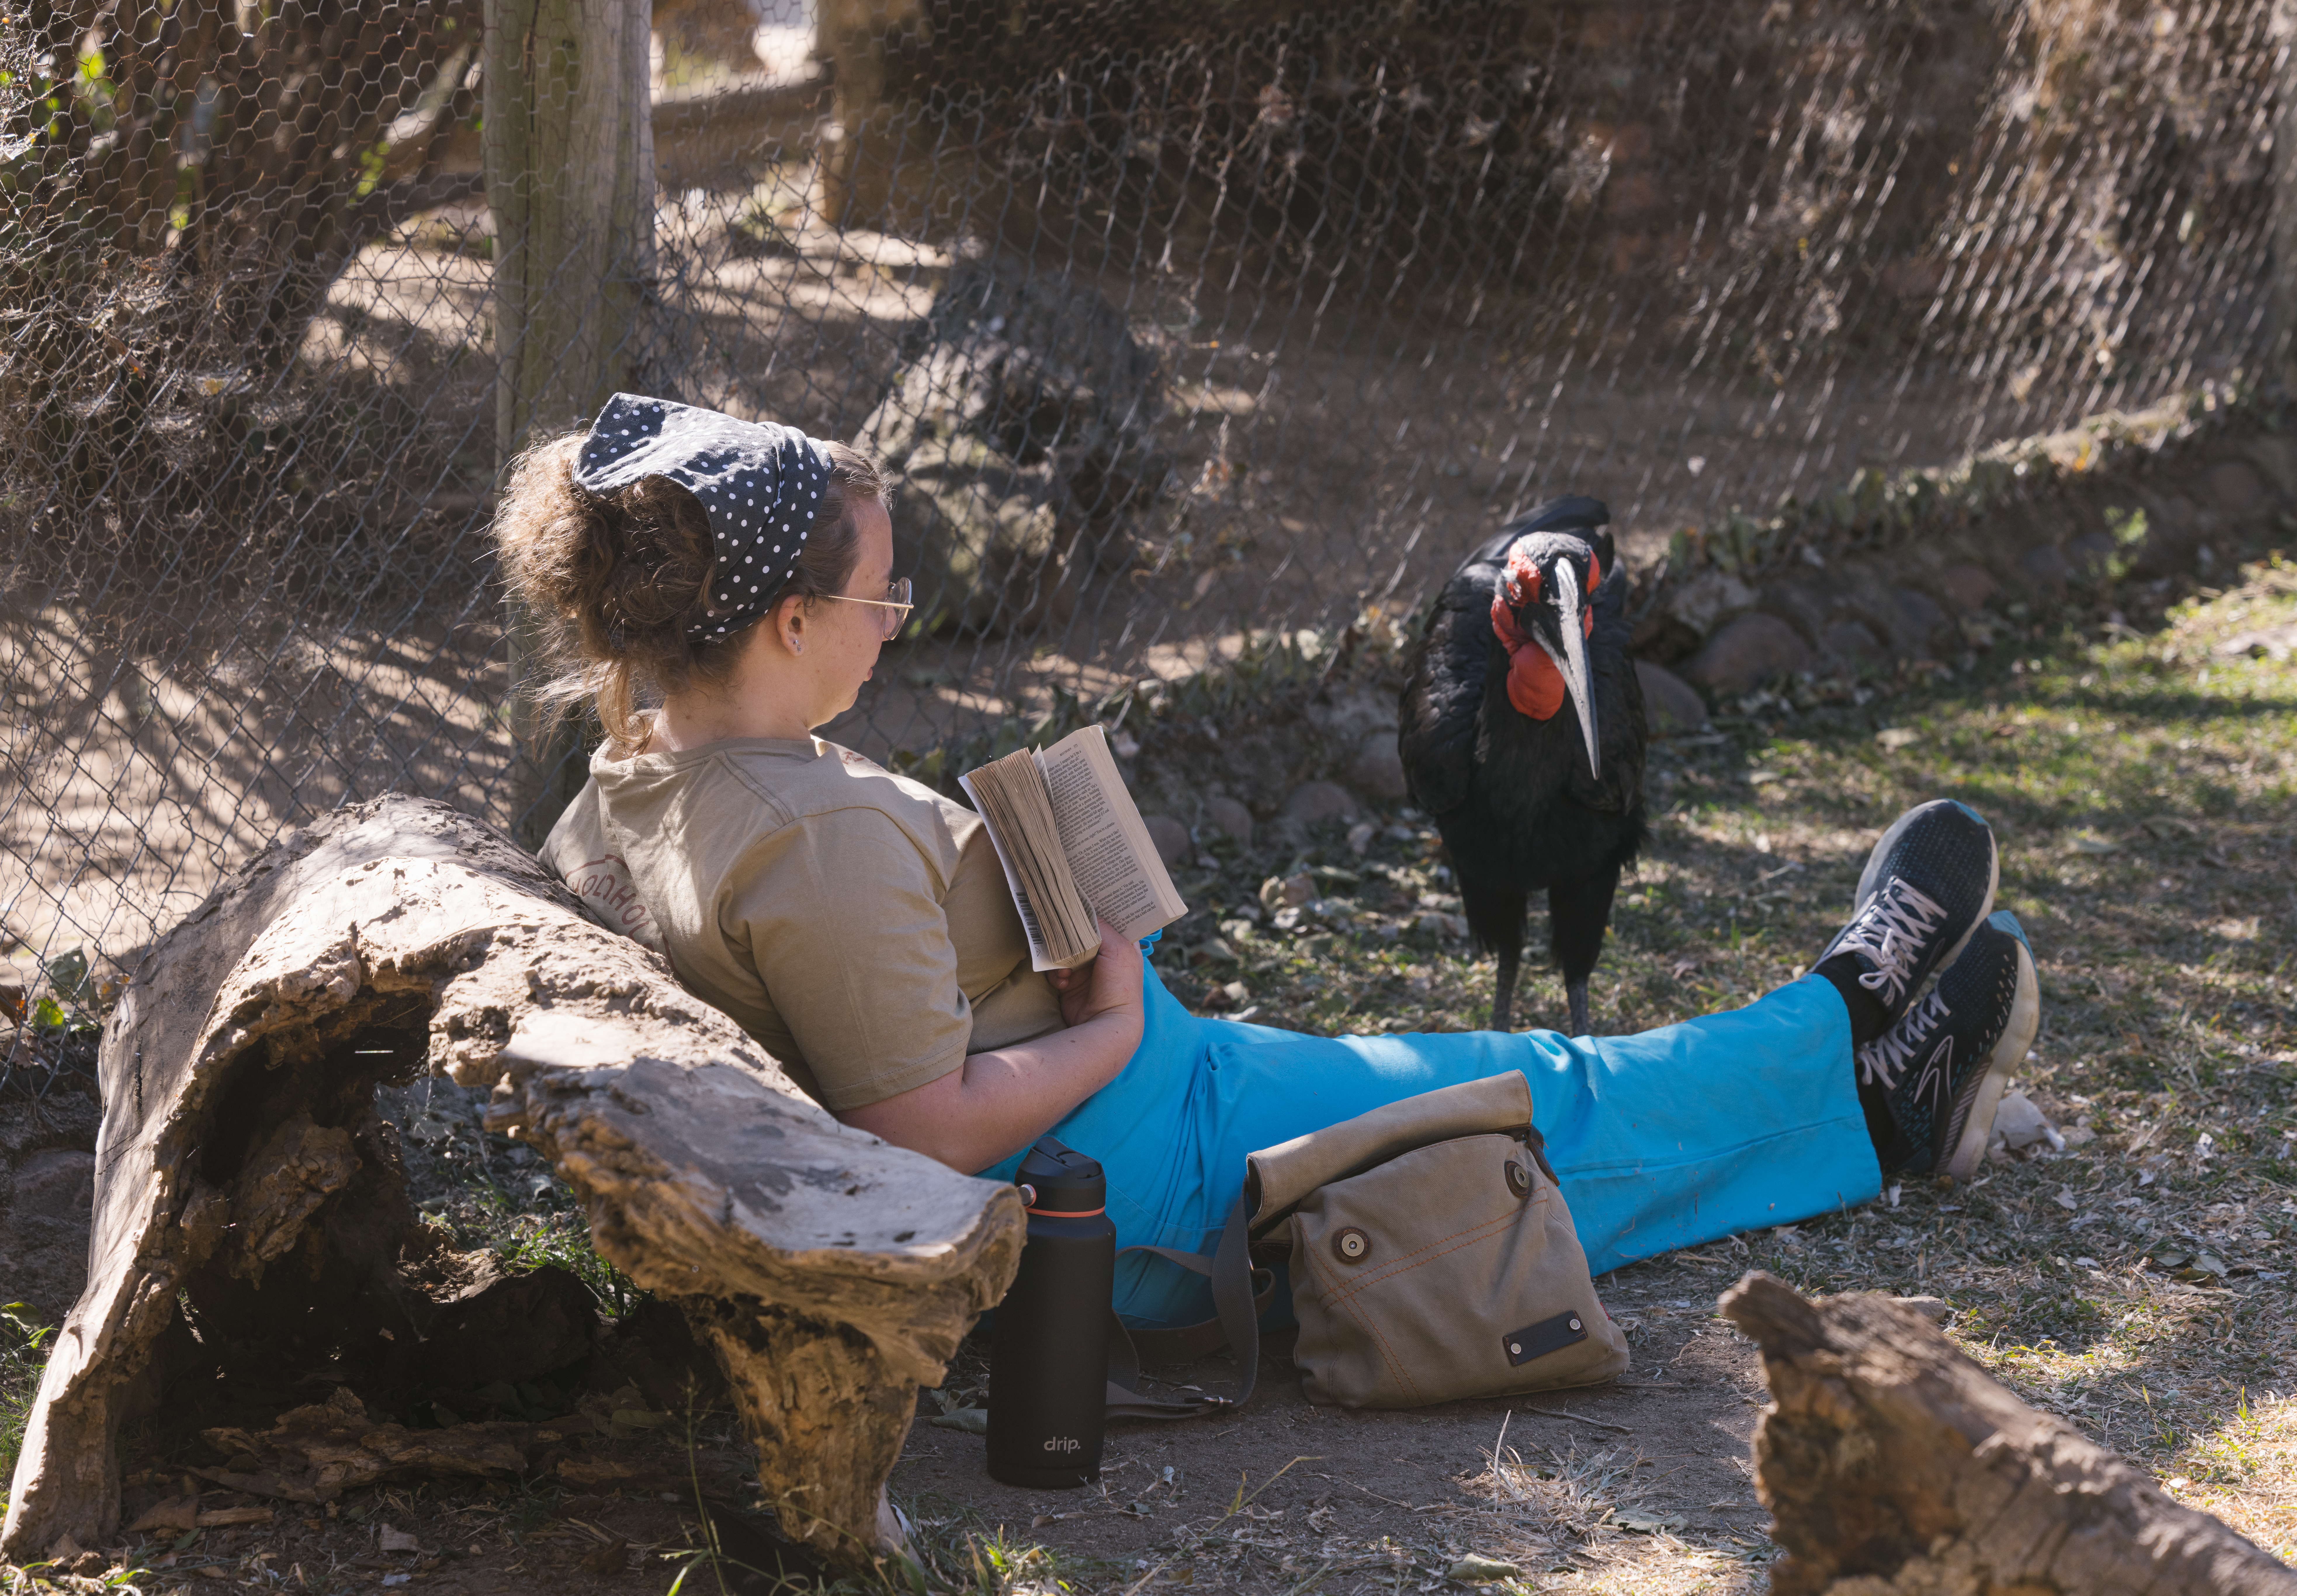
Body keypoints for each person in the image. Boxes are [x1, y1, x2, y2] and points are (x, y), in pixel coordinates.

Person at [501, 396, 2043, 1330]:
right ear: (785, 623)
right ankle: (1849, 1031)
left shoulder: (636, 777)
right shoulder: (811, 835)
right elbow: (924, 1129)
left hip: (1144, 1110)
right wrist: (1106, 1021)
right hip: (1141, 1179)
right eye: (880, 603)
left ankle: (1868, 1096)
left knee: (1521, 1072)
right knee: (1537, 1116)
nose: (891, 624)